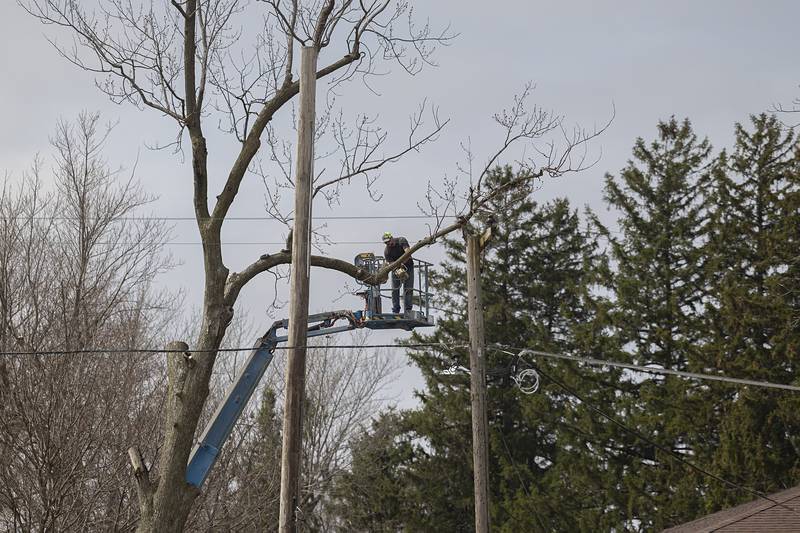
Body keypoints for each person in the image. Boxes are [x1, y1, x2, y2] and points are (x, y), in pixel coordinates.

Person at [382, 231, 414, 315]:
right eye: (386, 243)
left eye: (389, 241)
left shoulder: (401, 241)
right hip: (396, 269)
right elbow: (391, 263)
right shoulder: (387, 252)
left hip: (408, 266)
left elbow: (408, 252)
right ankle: (396, 309)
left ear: (392, 238)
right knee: (394, 289)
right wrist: (397, 268)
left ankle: (408, 309)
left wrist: (403, 263)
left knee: (408, 288)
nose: (388, 244)